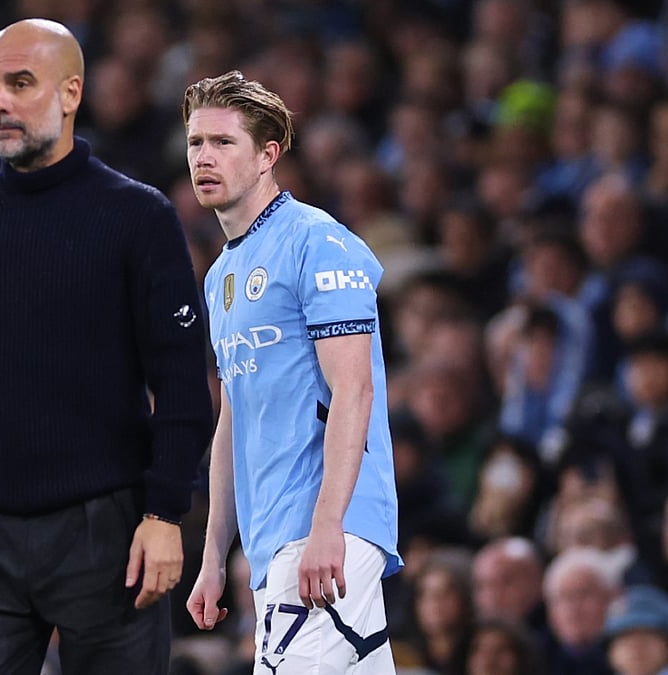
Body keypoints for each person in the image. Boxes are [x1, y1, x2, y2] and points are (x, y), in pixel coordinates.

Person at [0, 18, 213, 675]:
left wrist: (165, 510)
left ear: (70, 93)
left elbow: (178, 380)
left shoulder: (139, 217)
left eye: (20, 83)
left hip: (110, 531)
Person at [182, 70, 402, 673]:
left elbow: (354, 390)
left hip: (329, 528)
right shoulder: (219, 275)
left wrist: (328, 525)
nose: (204, 156)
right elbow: (233, 418)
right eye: (196, 142)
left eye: (223, 142)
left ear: (266, 155)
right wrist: (213, 557)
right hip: (273, 538)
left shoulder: (318, 243)